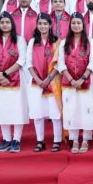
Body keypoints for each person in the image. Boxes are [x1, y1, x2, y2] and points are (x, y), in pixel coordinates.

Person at [58, 12, 93, 153]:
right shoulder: (64, 42)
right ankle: (74, 140)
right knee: (71, 110)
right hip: (69, 84)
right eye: (73, 23)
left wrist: (81, 79)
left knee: (86, 109)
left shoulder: (90, 42)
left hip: (85, 82)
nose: (76, 25)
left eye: (78, 23)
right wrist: (72, 80)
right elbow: (61, 64)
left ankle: (86, 140)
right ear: (70, 25)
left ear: (83, 25)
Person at [0, 11, 28, 153]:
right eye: (2, 22)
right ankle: (6, 139)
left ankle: (16, 139)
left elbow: (21, 60)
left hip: (16, 78)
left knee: (16, 109)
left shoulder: (19, 40)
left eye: (7, 22)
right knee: (1, 109)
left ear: (12, 24)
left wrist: (5, 74)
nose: (5, 25)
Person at [26, 13, 63, 152]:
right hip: (36, 83)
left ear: (50, 25)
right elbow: (29, 63)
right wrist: (38, 79)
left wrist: (48, 79)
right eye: (40, 24)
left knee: (55, 113)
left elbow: (59, 63)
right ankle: (40, 141)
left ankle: (57, 140)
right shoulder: (32, 42)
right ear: (37, 25)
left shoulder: (57, 41)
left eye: (45, 24)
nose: (42, 26)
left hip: (53, 82)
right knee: (38, 113)